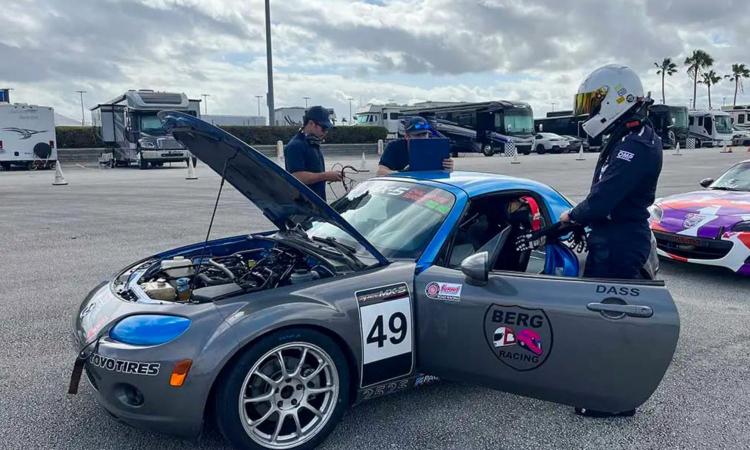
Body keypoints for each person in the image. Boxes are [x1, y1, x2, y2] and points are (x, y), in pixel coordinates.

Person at [560, 64, 662, 281]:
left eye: (594, 103)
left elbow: (603, 198)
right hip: (617, 238)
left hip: (619, 244)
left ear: (614, 98)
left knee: (605, 309)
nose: (591, 111)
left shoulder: (635, 144)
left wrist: (572, 216)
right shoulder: (632, 136)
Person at [284, 106, 343, 200]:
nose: (325, 132)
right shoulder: (295, 146)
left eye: (327, 129)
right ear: (311, 123)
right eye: (323, 128)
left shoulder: (313, 144)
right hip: (303, 207)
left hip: (316, 204)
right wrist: (326, 175)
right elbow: (297, 177)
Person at [376, 117, 454, 176]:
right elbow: (380, 172)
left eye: (424, 134)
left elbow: (445, 173)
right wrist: (403, 173)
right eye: (418, 135)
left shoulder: (436, 147)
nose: (422, 138)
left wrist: (448, 167)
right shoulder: (394, 146)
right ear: (407, 136)